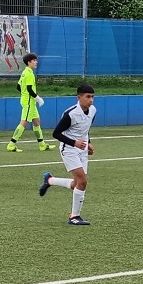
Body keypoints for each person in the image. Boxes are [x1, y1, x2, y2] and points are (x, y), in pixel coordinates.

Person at [39, 82, 96, 225]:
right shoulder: (71, 114)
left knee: (77, 183)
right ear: (79, 97)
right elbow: (56, 133)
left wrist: (88, 142)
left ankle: (50, 180)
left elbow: (85, 129)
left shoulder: (93, 110)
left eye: (92, 97)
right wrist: (74, 143)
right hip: (69, 149)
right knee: (83, 181)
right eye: (88, 97)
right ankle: (74, 216)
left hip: (82, 149)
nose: (91, 100)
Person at [7, 52, 55, 152]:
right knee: (24, 123)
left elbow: (18, 87)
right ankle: (11, 144)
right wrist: (37, 98)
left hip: (28, 101)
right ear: (29, 62)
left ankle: (42, 145)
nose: (36, 62)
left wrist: (25, 95)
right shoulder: (29, 74)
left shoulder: (25, 72)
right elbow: (29, 89)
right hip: (29, 102)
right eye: (34, 60)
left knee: (37, 122)